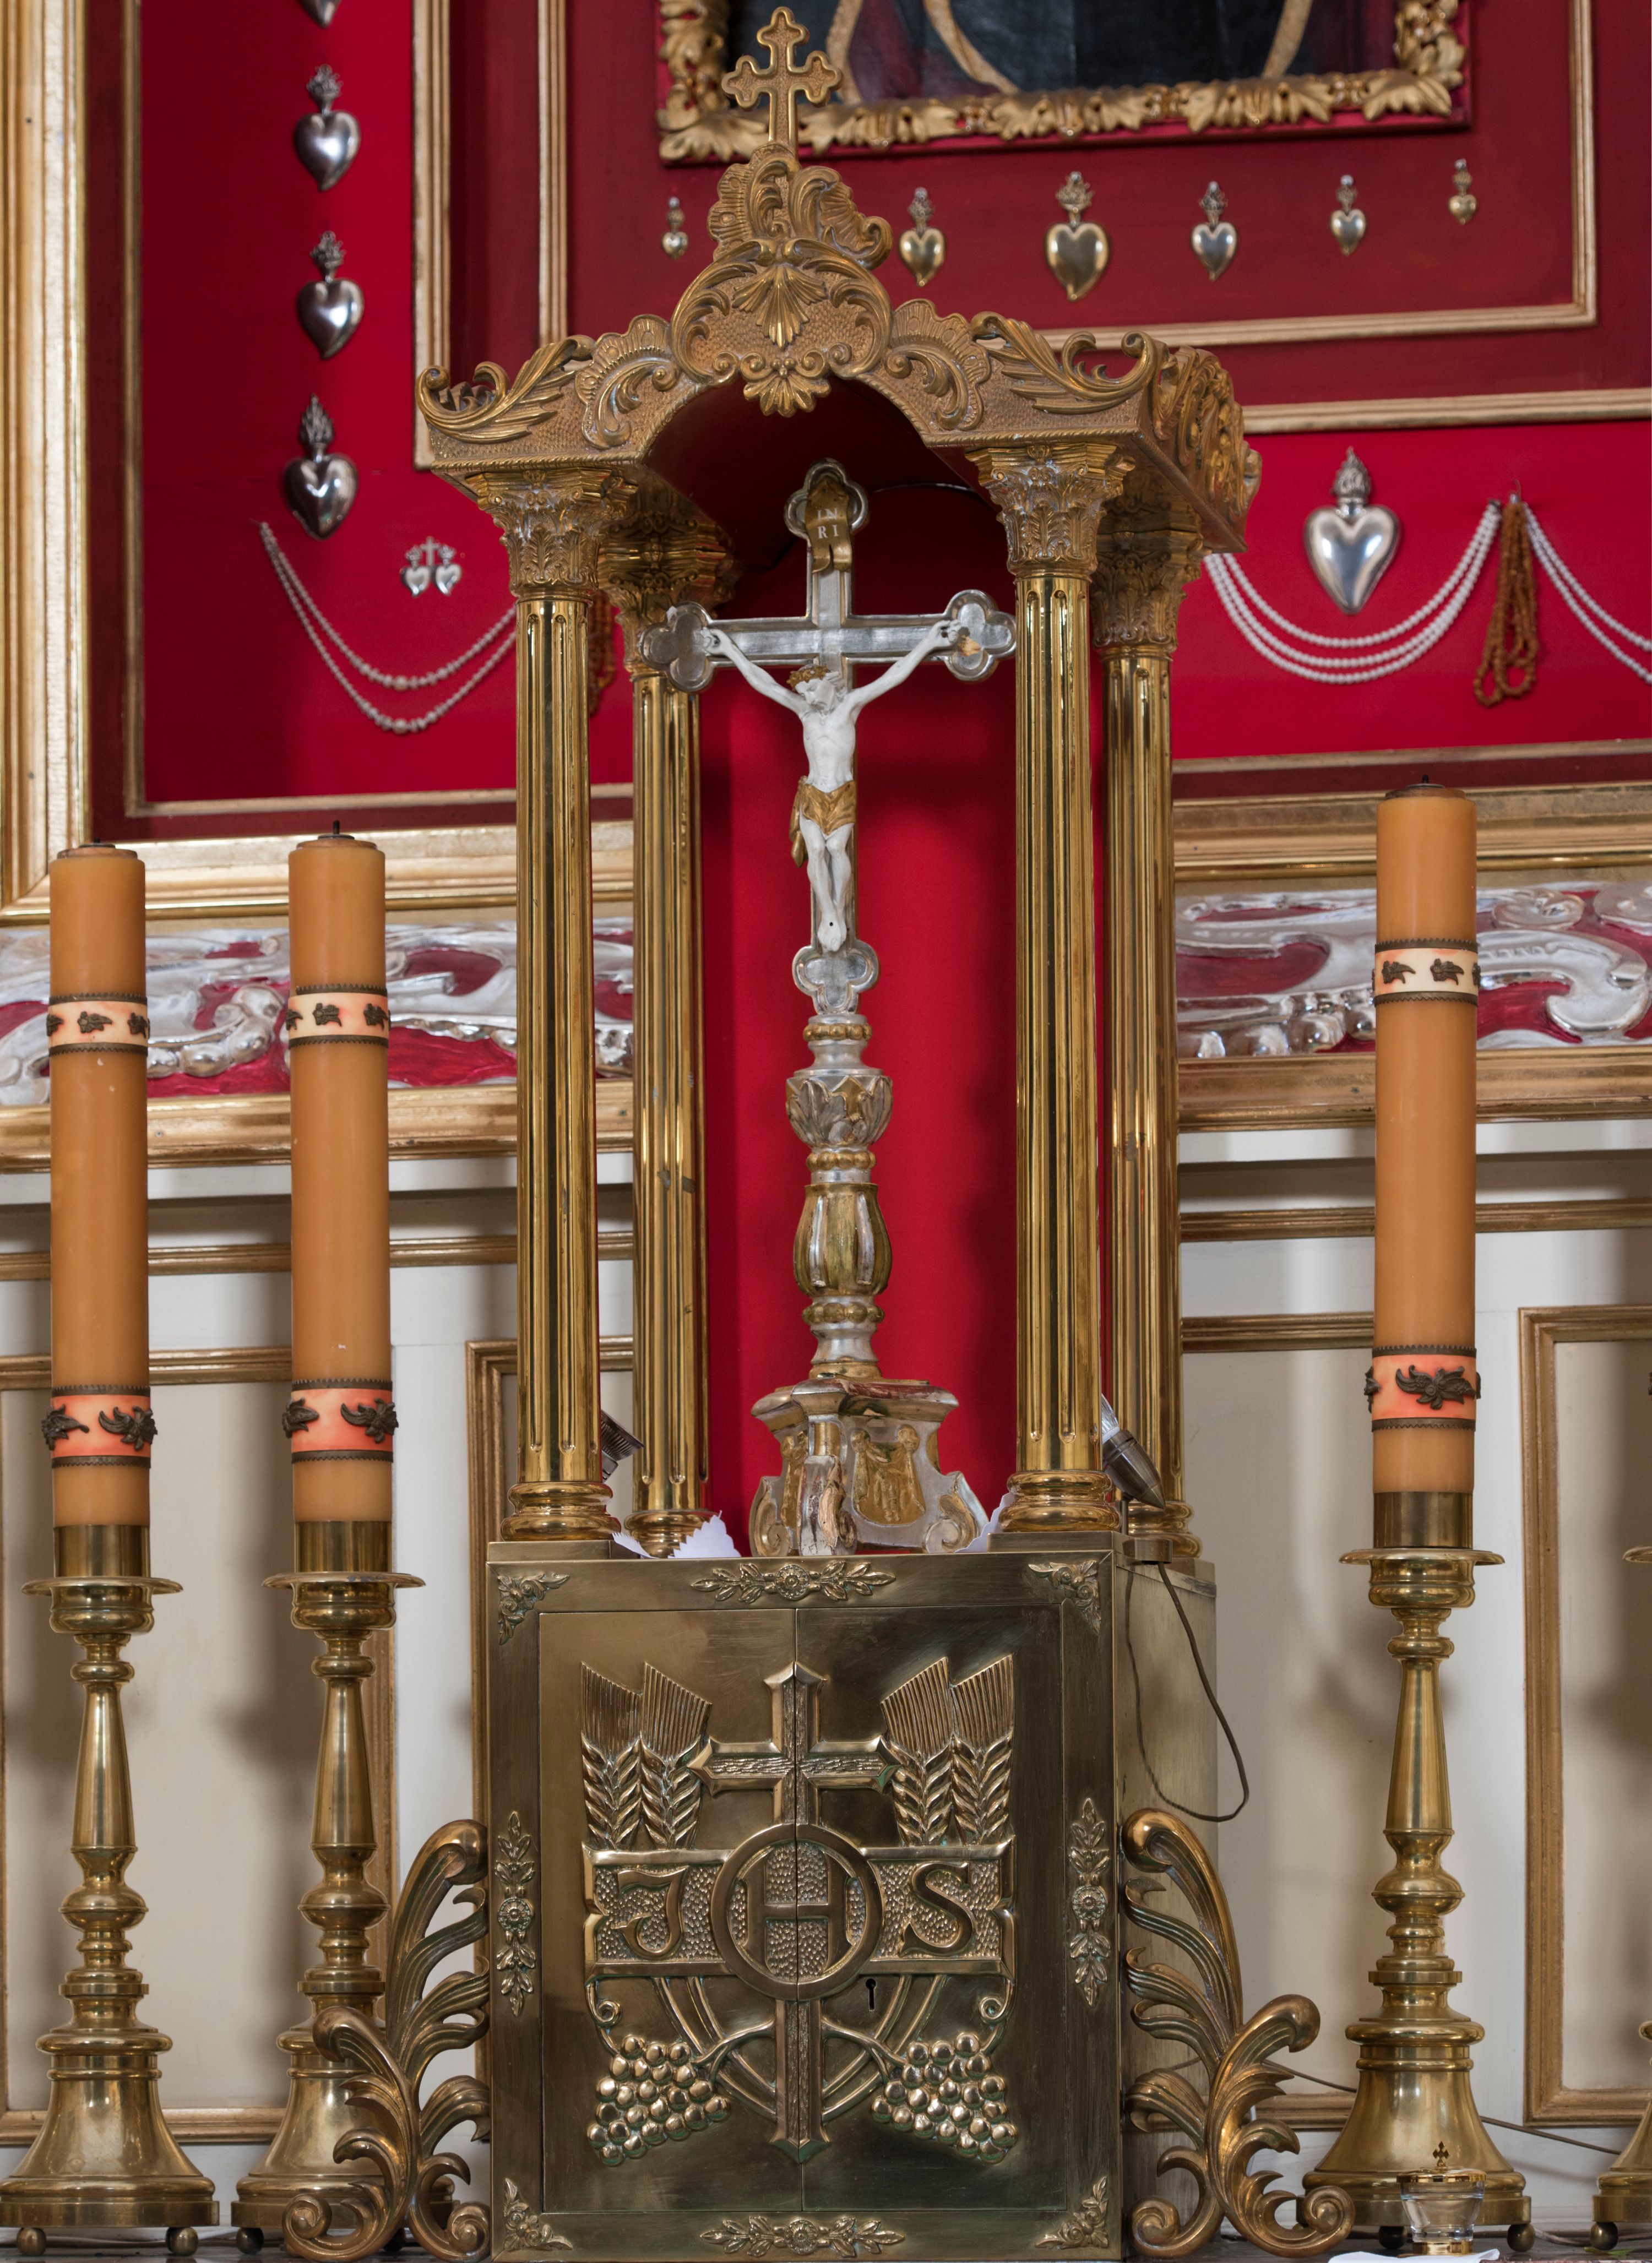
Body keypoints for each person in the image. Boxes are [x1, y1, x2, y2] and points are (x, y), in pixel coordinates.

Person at [705, 617, 968, 954]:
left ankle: (839, 911)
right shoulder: (805, 712)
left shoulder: (849, 706)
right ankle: (827, 913)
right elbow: (764, 683)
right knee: (816, 850)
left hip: (841, 793)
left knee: (836, 849)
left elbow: (894, 674)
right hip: (813, 792)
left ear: (828, 682)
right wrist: (730, 651)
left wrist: (929, 643)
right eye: (804, 694)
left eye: (813, 690)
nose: (810, 698)